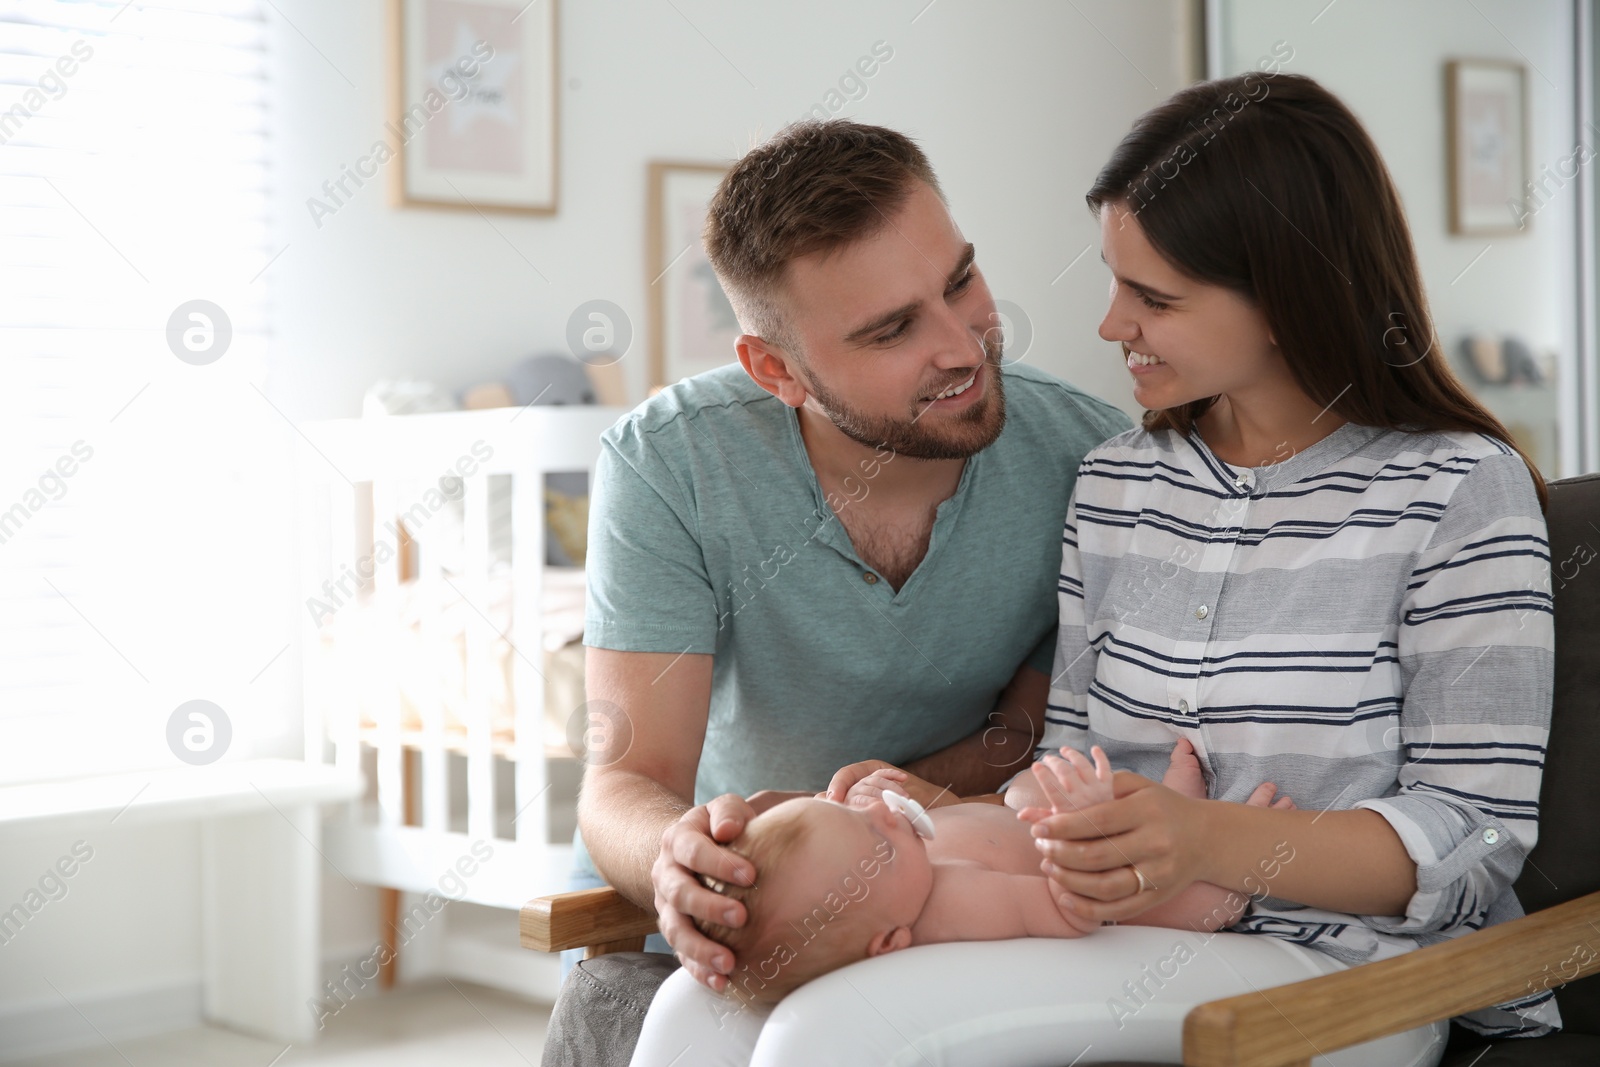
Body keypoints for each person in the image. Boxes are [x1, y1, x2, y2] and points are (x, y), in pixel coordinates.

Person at [619, 72, 1555, 1067]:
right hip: (1106, 927)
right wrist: (937, 814)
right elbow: (1064, 767)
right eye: (1114, 282)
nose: (1109, 324)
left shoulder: (1458, 490)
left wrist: (1198, 838)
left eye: (1152, 297)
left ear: (1287, 296)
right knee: (696, 1008)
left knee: (837, 1030)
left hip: (1342, 969)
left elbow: (1474, 836)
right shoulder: (1117, 481)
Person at [542, 120, 1134, 1066]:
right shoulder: (672, 463)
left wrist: (919, 802)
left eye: (959, 283)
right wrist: (679, 864)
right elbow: (628, 779)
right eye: (893, 329)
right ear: (777, 369)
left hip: (933, 895)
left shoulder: (1093, 457)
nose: (965, 347)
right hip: (724, 917)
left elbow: (1037, 731)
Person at [685, 739, 1297, 1010]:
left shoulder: (885, 889)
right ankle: (1227, 861)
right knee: (1185, 906)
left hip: (1027, 828)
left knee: (1026, 791)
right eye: (875, 837)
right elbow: (1071, 910)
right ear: (892, 943)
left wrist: (856, 805)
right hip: (1117, 892)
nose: (879, 813)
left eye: (847, 811)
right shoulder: (959, 904)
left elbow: (850, 836)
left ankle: (1169, 811)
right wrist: (1078, 831)